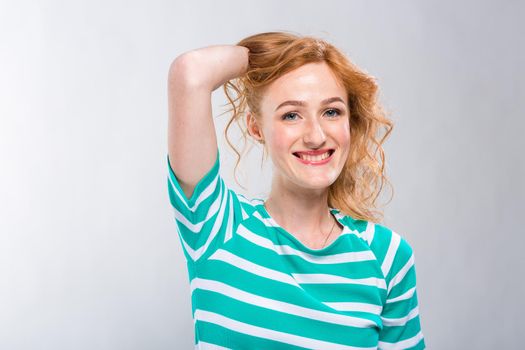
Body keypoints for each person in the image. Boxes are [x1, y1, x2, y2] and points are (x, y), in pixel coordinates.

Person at [166, 31, 425, 349]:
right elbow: (190, 72)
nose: (316, 136)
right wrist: (273, 56)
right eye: (291, 114)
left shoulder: (387, 256)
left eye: (331, 111)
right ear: (256, 126)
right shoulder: (218, 227)